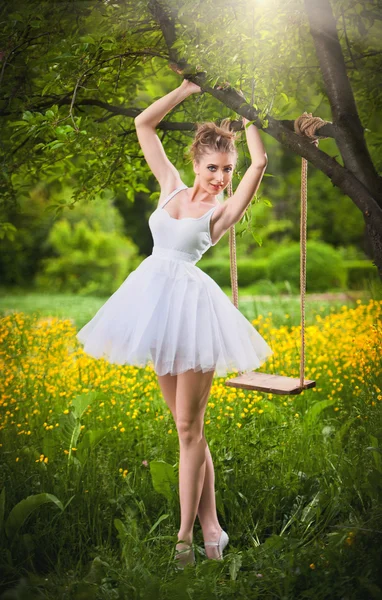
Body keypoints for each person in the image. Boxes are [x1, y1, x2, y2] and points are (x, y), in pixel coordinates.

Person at [76, 77, 273, 569]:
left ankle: (185, 538)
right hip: (152, 306)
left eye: (227, 169)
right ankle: (213, 528)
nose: (221, 177)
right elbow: (144, 123)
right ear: (195, 162)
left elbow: (261, 164)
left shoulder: (220, 210)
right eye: (213, 167)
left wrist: (249, 120)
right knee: (188, 429)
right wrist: (186, 88)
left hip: (191, 310)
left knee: (189, 428)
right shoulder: (170, 188)